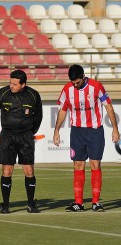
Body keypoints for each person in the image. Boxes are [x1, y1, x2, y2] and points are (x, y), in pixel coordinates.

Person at [53, 64, 120, 212]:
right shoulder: (67, 89)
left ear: (83, 77)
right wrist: (56, 131)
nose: (75, 85)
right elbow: (63, 110)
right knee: (78, 166)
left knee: (95, 165)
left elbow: (108, 106)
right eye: (73, 83)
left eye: (77, 82)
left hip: (95, 132)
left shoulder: (96, 86)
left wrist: (115, 128)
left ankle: (96, 202)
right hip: (77, 132)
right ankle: (79, 203)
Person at [0, 69, 43, 214]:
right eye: (10, 82)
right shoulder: (2, 93)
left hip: (25, 136)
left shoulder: (33, 95)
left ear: (23, 84)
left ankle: (31, 204)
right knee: (7, 171)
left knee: (29, 170)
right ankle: (5, 205)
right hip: (7, 136)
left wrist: (31, 132)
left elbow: (38, 116)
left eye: (14, 84)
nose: (11, 86)